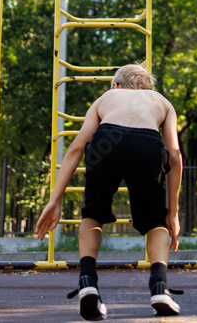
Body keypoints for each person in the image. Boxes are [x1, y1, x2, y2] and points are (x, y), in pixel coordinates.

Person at [35, 64, 183, 320]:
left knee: (93, 214)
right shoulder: (162, 102)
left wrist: (54, 200)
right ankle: (160, 287)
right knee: (156, 222)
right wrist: (174, 211)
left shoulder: (106, 97)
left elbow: (76, 148)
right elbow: (175, 156)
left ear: (115, 85)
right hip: (147, 145)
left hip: (107, 141)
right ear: (148, 87)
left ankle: (88, 281)